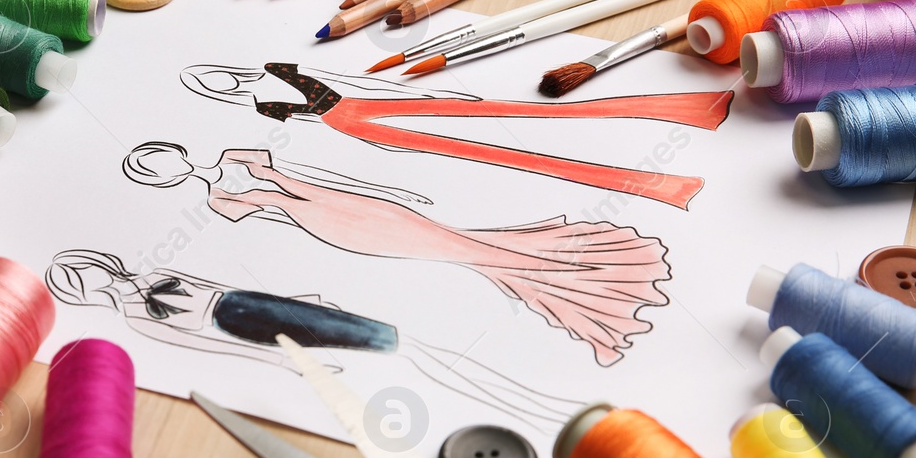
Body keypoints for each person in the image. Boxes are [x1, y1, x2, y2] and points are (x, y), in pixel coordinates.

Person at [124, 142, 669, 365]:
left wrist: (391, 195)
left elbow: (298, 175)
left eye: (160, 162)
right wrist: (248, 190)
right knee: (464, 255)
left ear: (169, 154)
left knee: (467, 245)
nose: (167, 170)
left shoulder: (237, 155)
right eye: (155, 175)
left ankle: (588, 275)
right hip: (338, 229)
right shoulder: (218, 199)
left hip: (350, 208)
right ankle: (591, 288)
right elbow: (264, 204)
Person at [46, 249, 583, 430]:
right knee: (399, 354)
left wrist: (300, 299)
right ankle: (528, 407)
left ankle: (534, 400)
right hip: (242, 325)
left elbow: (222, 286)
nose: (89, 282)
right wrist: (290, 364)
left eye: (81, 271)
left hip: (260, 304)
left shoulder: (151, 272)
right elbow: (214, 347)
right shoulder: (139, 319)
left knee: (402, 341)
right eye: (77, 286)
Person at [180, 62, 733, 210]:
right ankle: (659, 184)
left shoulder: (278, 71)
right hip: (353, 124)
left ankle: (686, 109)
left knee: (529, 116)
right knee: (495, 152)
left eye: (210, 75)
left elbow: (345, 79)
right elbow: (314, 125)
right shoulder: (261, 104)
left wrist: (436, 99)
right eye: (209, 86)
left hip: (372, 100)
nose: (216, 82)